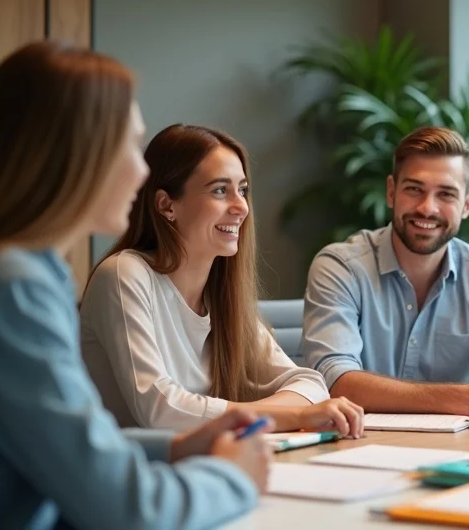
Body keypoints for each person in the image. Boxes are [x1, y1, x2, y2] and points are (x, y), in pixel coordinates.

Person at [0, 41, 272, 529]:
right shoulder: (11, 289)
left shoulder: (32, 273)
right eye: (128, 144)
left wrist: (177, 446)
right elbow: (127, 510)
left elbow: (67, 446)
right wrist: (233, 478)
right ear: (69, 154)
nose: (142, 171)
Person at [80, 124, 364, 436]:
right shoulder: (123, 274)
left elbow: (310, 383)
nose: (241, 206)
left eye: (242, 190)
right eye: (219, 190)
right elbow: (160, 408)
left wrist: (284, 414)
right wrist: (295, 415)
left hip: (204, 465)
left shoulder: (222, 296)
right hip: (135, 475)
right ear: (166, 205)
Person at [302, 126, 469, 417]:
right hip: (356, 446)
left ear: (467, 205)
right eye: (414, 189)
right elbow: (336, 380)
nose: (427, 208)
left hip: (457, 452)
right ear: (391, 192)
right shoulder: (341, 267)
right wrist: (466, 398)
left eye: (446, 194)